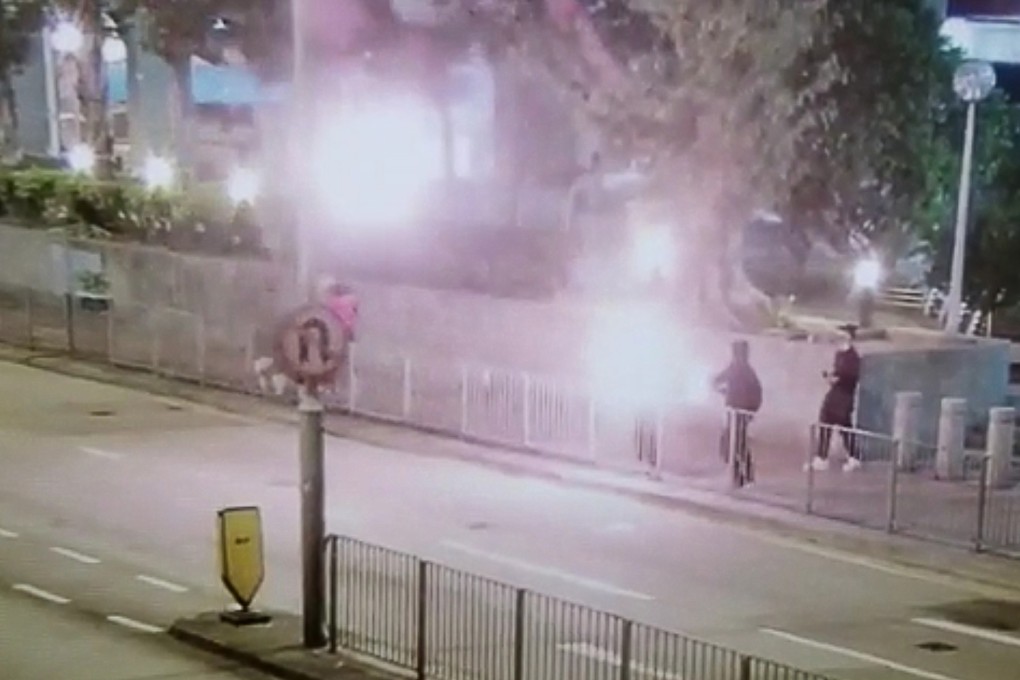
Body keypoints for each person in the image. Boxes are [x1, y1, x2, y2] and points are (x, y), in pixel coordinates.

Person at [254, 276, 358, 396]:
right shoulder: (336, 305)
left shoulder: (333, 305)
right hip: (333, 342)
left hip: (331, 343)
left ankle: (319, 389)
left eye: (324, 291)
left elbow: (331, 324)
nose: (322, 293)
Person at [806, 324, 862, 472]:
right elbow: (838, 373)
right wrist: (831, 377)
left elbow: (850, 377)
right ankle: (822, 457)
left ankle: (853, 457)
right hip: (836, 395)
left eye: (842, 336)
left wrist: (837, 378)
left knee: (844, 428)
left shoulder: (853, 357)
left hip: (844, 397)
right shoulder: (840, 355)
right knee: (825, 422)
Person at [713, 340, 763, 487]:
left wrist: (722, 391)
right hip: (738, 413)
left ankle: (742, 477)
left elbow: (718, 380)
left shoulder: (740, 369)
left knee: (733, 446)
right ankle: (743, 477)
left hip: (738, 413)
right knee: (737, 445)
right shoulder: (743, 369)